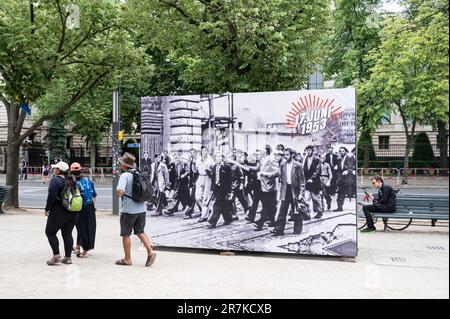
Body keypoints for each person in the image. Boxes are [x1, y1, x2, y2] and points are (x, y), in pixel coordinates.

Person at [115, 152, 156, 266]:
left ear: (124, 165)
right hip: (141, 209)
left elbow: (120, 191)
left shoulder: (124, 176)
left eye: (121, 164)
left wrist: (120, 192)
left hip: (128, 210)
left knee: (126, 234)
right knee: (140, 231)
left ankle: (127, 259)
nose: (120, 165)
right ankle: (150, 251)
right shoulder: (138, 173)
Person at [44, 161, 79, 265]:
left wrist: (47, 209)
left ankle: (56, 255)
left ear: (59, 170)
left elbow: (51, 196)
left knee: (50, 232)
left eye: (55, 168)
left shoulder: (55, 181)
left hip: (59, 212)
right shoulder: (72, 179)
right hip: (73, 212)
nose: (54, 170)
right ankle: (68, 258)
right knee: (67, 234)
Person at [272, 148, 306, 235]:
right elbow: (281, 178)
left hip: (295, 190)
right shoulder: (283, 165)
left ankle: (297, 229)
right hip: (286, 189)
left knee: (297, 210)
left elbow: (302, 181)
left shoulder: (298, 165)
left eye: (287, 155)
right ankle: (279, 230)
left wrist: (301, 194)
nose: (285, 156)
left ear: (292, 155)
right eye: (284, 155)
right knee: (282, 210)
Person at [70, 162, 97, 258]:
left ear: (71, 171)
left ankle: (85, 250)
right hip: (89, 206)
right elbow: (94, 195)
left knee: (81, 227)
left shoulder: (73, 183)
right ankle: (78, 246)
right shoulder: (88, 180)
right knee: (86, 227)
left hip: (79, 207)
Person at [253, 145, 280, 231]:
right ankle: (272, 220)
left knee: (268, 205)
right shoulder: (262, 159)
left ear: (266, 150)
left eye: (262, 150)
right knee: (268, 205)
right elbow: (258, 169)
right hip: (263, 186)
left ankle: (261, 222)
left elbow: (277, 172)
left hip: (270, 186)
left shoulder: (272, 159)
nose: (261, 151)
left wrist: (266, 174)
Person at [207, 152, 233, 228]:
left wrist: (229, 191)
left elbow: (229, 180)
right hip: (216, 188)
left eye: (219, 156)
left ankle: (212, 222)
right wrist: (212, 189)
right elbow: (213, 179)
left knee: (217, 205)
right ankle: (228, 219)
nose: (218, 158)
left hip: (224, 189)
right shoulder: (214, 167)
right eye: (216, 156)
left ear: (222, 158)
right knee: (223, 205)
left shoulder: (226, 167)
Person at [195, 146, 215, 222]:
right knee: (197, 197)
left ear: (207, 152)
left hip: (207, 178)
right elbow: (195, 170)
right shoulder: (198, 160)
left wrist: (209, 170)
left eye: (205, 151)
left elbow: (213, 170)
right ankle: (207, 210)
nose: (204, 152)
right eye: (202, 151)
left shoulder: (210, 160)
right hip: (200, 177)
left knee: (206, 198)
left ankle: (204, 216)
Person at [303, 146, 323, 219]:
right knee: (306, 198)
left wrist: (312, 178)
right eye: (307, 150)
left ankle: (319, 211)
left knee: (315, 197)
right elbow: (304, 169)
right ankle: (306, 213)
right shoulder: (305, 159)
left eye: (309, 150)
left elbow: (318, 170)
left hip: (315, 182)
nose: (308, 152)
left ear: (312, 151)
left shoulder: (317, 159)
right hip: (307, 181)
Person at [334, 147, 356, 212]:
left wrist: (348, 170)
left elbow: (353, 166)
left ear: (345, 151)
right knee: (341, 192)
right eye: (340, 151)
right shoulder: (338, 159)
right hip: (341, 178)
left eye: (343, 151)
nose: (342, 152)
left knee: (354, 192)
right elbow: (337, 168)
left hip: (349, 177)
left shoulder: (349, 157)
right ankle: (339, 207)